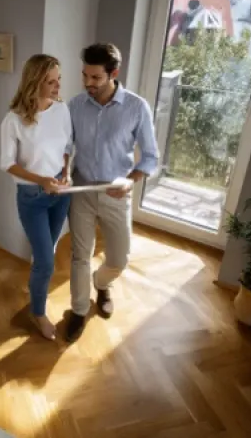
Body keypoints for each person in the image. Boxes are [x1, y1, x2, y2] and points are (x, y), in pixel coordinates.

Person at [63, 43, 158, 343]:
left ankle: (102, 284)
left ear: (113, 74)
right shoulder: (76, 105)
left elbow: (151, 157)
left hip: (116, 192)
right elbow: (68, 146)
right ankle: (78, 310)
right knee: (80, 255)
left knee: (119, 258)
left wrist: (131, 180)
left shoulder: (136, 107)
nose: (88, 84)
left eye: (96, 78)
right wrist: (65, 172)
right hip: (81, 189)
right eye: (84, 76)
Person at [0, 54, 72, 341]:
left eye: (58, 80)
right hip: (32, 198)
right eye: (50, 81)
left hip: (60, 194)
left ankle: (36, 293)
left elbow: (67, 145)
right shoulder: (13, 120)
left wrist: (65, 171)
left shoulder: (62, 110)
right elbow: (7, 163)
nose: (57, 87)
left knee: (47, 254)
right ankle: (38, 312)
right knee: (46, 261)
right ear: (34, 82)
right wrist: (41, 180)